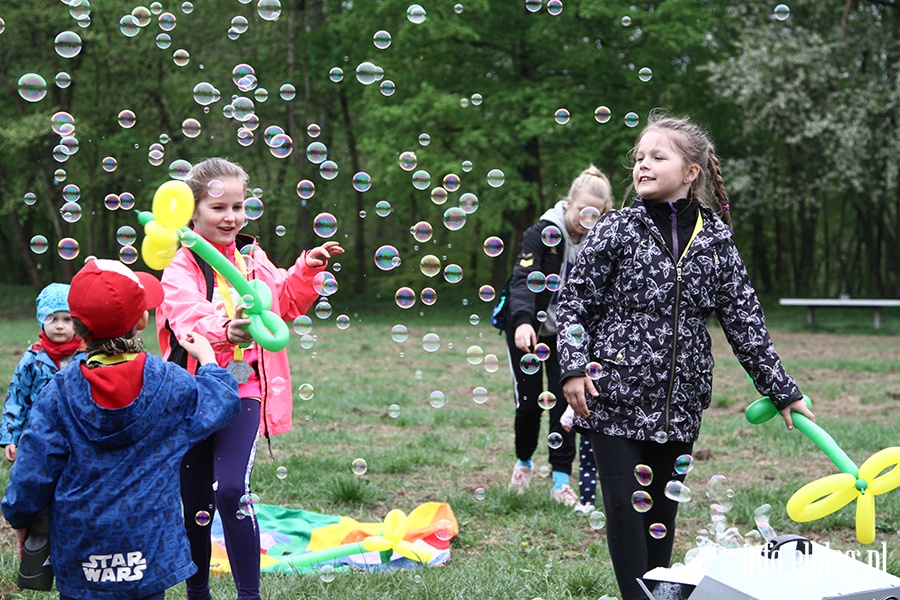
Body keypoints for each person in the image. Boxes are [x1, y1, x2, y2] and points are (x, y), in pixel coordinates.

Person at [557, 112, 815, 600]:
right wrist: (572, 367)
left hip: (680, 404)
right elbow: (573, 303)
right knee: (624, 510)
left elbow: (745, 321)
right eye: (638, 158)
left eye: (658, 156)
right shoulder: (616, 228)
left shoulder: (715, 241)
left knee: (659, 512)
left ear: (691, 171)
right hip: (611, 394)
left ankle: (660, 594)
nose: (642, 166)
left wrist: (782, 390)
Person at [156, 157, 344, 600]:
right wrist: (226, 329)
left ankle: (248, 596)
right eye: (219, 208)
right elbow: (187, 317)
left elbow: (281, 304)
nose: (231, 217)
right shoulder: (181, 266)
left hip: (244, 383)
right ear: (193, 211)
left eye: (238, 207)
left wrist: (307, 270)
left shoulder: (252, 256)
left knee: (233, 490)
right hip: (194, 391)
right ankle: (197, 593)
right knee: (195, 502)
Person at [1, 259, 241, 600]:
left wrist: (20, 515)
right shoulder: (169, 383)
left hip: (80, 547)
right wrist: (209, 362)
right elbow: (221, 403)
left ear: (79, 326)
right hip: (148, 546)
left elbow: (33, 468)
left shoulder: (58, 391)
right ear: (142, 319)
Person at [506, 165, 613, 506]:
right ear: (568, 204)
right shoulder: (542, 233)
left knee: (565, 402)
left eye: (596, 213)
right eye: (583, 210)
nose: (587, 218)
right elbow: (523, 279)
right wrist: (524, 321)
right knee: (528, 404)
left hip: (567, 335)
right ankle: (523, 463)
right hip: (528, 331)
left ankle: (560, 481)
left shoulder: (601, 242)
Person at [1, 283, 85, 463]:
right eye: (52, 319)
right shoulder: (33, 357)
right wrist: (10, 436)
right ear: (42, 320)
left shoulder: (85, 356)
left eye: (67, 319)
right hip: (38, 434)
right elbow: (17, 397)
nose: (60, 326)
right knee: (36, 477)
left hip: (77, 435)